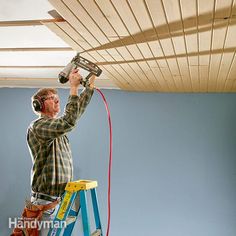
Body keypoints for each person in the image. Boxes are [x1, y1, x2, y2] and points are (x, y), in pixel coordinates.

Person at [27, 68, 96, 235]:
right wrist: (73, 88)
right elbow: (69, 122)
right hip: (45, 205)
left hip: (59, 202)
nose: (57, 101)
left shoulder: (57, 130)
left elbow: (74, 115)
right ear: (39, 105)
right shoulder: (38, 127)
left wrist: (90, 87)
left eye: (57, 98)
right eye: (51, 99)